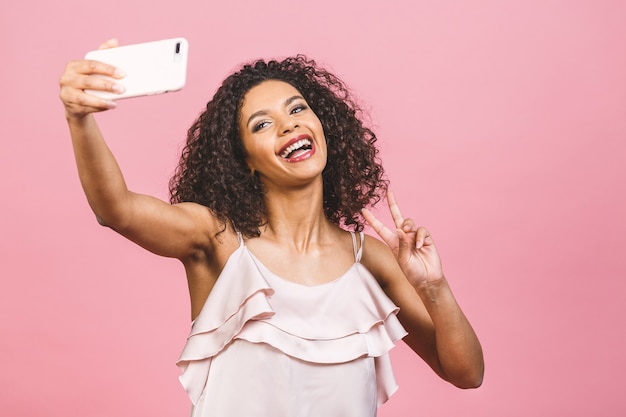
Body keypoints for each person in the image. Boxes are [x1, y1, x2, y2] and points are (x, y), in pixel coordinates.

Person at [59, 39, 484, 417]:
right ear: (243, 158)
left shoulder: (369, 259)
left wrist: (434, 288)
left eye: (298, 109)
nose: (289, 125)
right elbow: (116, 209)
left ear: (323, 127)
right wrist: (80, 119)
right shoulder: (217, 239)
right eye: (261, 124)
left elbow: (465, 373)